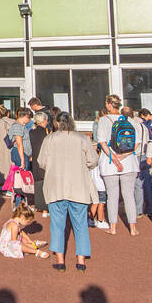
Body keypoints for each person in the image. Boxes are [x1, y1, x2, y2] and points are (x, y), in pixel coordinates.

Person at [37, 112, 98, 272]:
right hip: (78, 186)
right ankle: (81, 260)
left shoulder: (49, 139)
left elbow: (41, 162)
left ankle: (60, 260)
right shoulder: (83, 139)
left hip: (56, 185)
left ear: (57, 123)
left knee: (57, 224)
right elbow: (93, 160)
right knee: (81, 224)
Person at [94, 99, 140, 236]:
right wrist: (123, 156)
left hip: (109, 163)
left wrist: (114, 158)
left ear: (109, 105)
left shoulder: (103, 120)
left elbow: (102, 142)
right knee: (129, 196)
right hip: (129, 162)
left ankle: (113, 227)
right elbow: (137, 143)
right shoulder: (130, 120)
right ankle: (133, 228)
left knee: (112, 196)